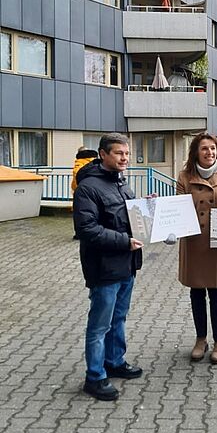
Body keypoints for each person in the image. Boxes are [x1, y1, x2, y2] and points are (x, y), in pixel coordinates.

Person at [73, 133, 144, 401]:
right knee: (99, 325)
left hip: (127, 265)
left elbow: (129, 217)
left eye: (127, 153)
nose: (125, 158)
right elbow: (87, 229)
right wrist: (125, 242)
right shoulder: (88, 188)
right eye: (119, 153)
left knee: (119, 318)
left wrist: (146, 207)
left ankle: (114, 362)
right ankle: (94, 377)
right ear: (103, 154)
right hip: (103, 268)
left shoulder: (121, 183)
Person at [176, 132, 217, 364]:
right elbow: (179, 208)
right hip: (194, 242)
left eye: (213, 148)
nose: (210, 152)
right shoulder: (184, 176)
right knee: (196, 293)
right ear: (196, 152)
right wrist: (171, 229)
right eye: (204, 148)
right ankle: (200, 339)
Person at [71, 146, 98, 240]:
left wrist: (75, 188)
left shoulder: (79, 163)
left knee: (80, 213)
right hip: (95, 190)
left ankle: (80, 233)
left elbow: (76, 177)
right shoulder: (96, 161)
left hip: (81, 191)